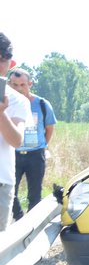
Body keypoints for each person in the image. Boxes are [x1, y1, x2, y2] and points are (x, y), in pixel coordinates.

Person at [8, 67, 56, 220]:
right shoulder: (7, 104)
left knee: (34, 194)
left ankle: (32, 224)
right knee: (10, 191)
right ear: (9, 84)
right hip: (13, 154)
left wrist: (43, 146)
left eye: (22, 85)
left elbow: (49, 128)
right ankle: (20, 219)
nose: (18, 88)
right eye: (14, 85)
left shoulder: (42, 104)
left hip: (35, 155)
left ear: (30, 84)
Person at [0, 32, 31, 231]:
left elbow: (17, 140)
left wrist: (1, 113)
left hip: (1, 182)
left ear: (10, 64)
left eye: (1, 60)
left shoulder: (18, 100)